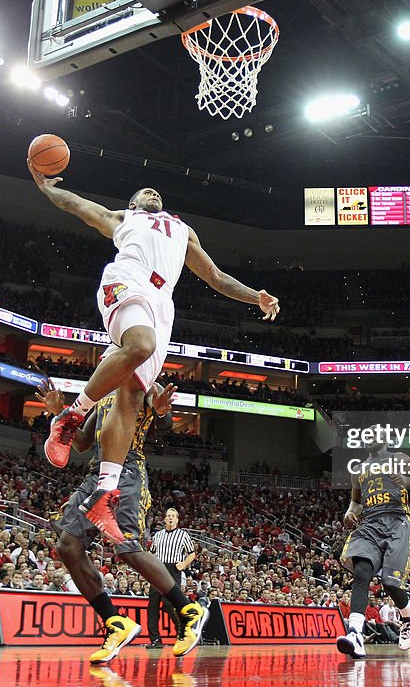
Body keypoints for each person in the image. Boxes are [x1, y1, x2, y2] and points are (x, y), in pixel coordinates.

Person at [30, 165, 279, 543]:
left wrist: (254, 296)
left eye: (157, 193)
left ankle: (105, 494)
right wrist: (47, 188)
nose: (154, 194)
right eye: (145, 192)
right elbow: (78, 205)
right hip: (126, 281)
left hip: (162, 304)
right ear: (133, 203)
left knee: (129, 396)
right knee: (140, 345)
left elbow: (214, 276)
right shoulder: (123, 218)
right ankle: (71, 416)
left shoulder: (183, 230)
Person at [38, 379, 207, 664]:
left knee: (127, 548)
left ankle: (188, 610)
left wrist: (162, 412)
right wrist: (59, 411)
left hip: (128, 471)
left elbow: (163, 425)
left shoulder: (143, 382)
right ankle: (115, 623)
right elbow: (80, 443)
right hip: (96, 474)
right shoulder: (103, 392)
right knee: (68, 546)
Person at [336, 431, 410, 659]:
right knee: (361, 573)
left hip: (397, 521)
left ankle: (409, 616)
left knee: (390, 581)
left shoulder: (400, 459)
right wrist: (349, 513)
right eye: (366, 435)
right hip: (370, 524)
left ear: (385, 439)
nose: (369, 437)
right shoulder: (358, 470)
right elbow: (355, 503)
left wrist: (407, 481)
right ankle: (355, 633)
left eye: (374, 434)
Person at [145, 507, 197, 649]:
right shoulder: (157, 535)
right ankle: (155, 640)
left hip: (173, 569)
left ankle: (183, 631)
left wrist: (184, 564)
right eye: (168, 515)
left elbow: (192, 553)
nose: (170, 518)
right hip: (158, 569)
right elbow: (151, 553)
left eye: (173, 516)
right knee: (153, 606)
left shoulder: (183, 535)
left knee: (169, 604)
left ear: (177, 519)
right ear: (165, 518)